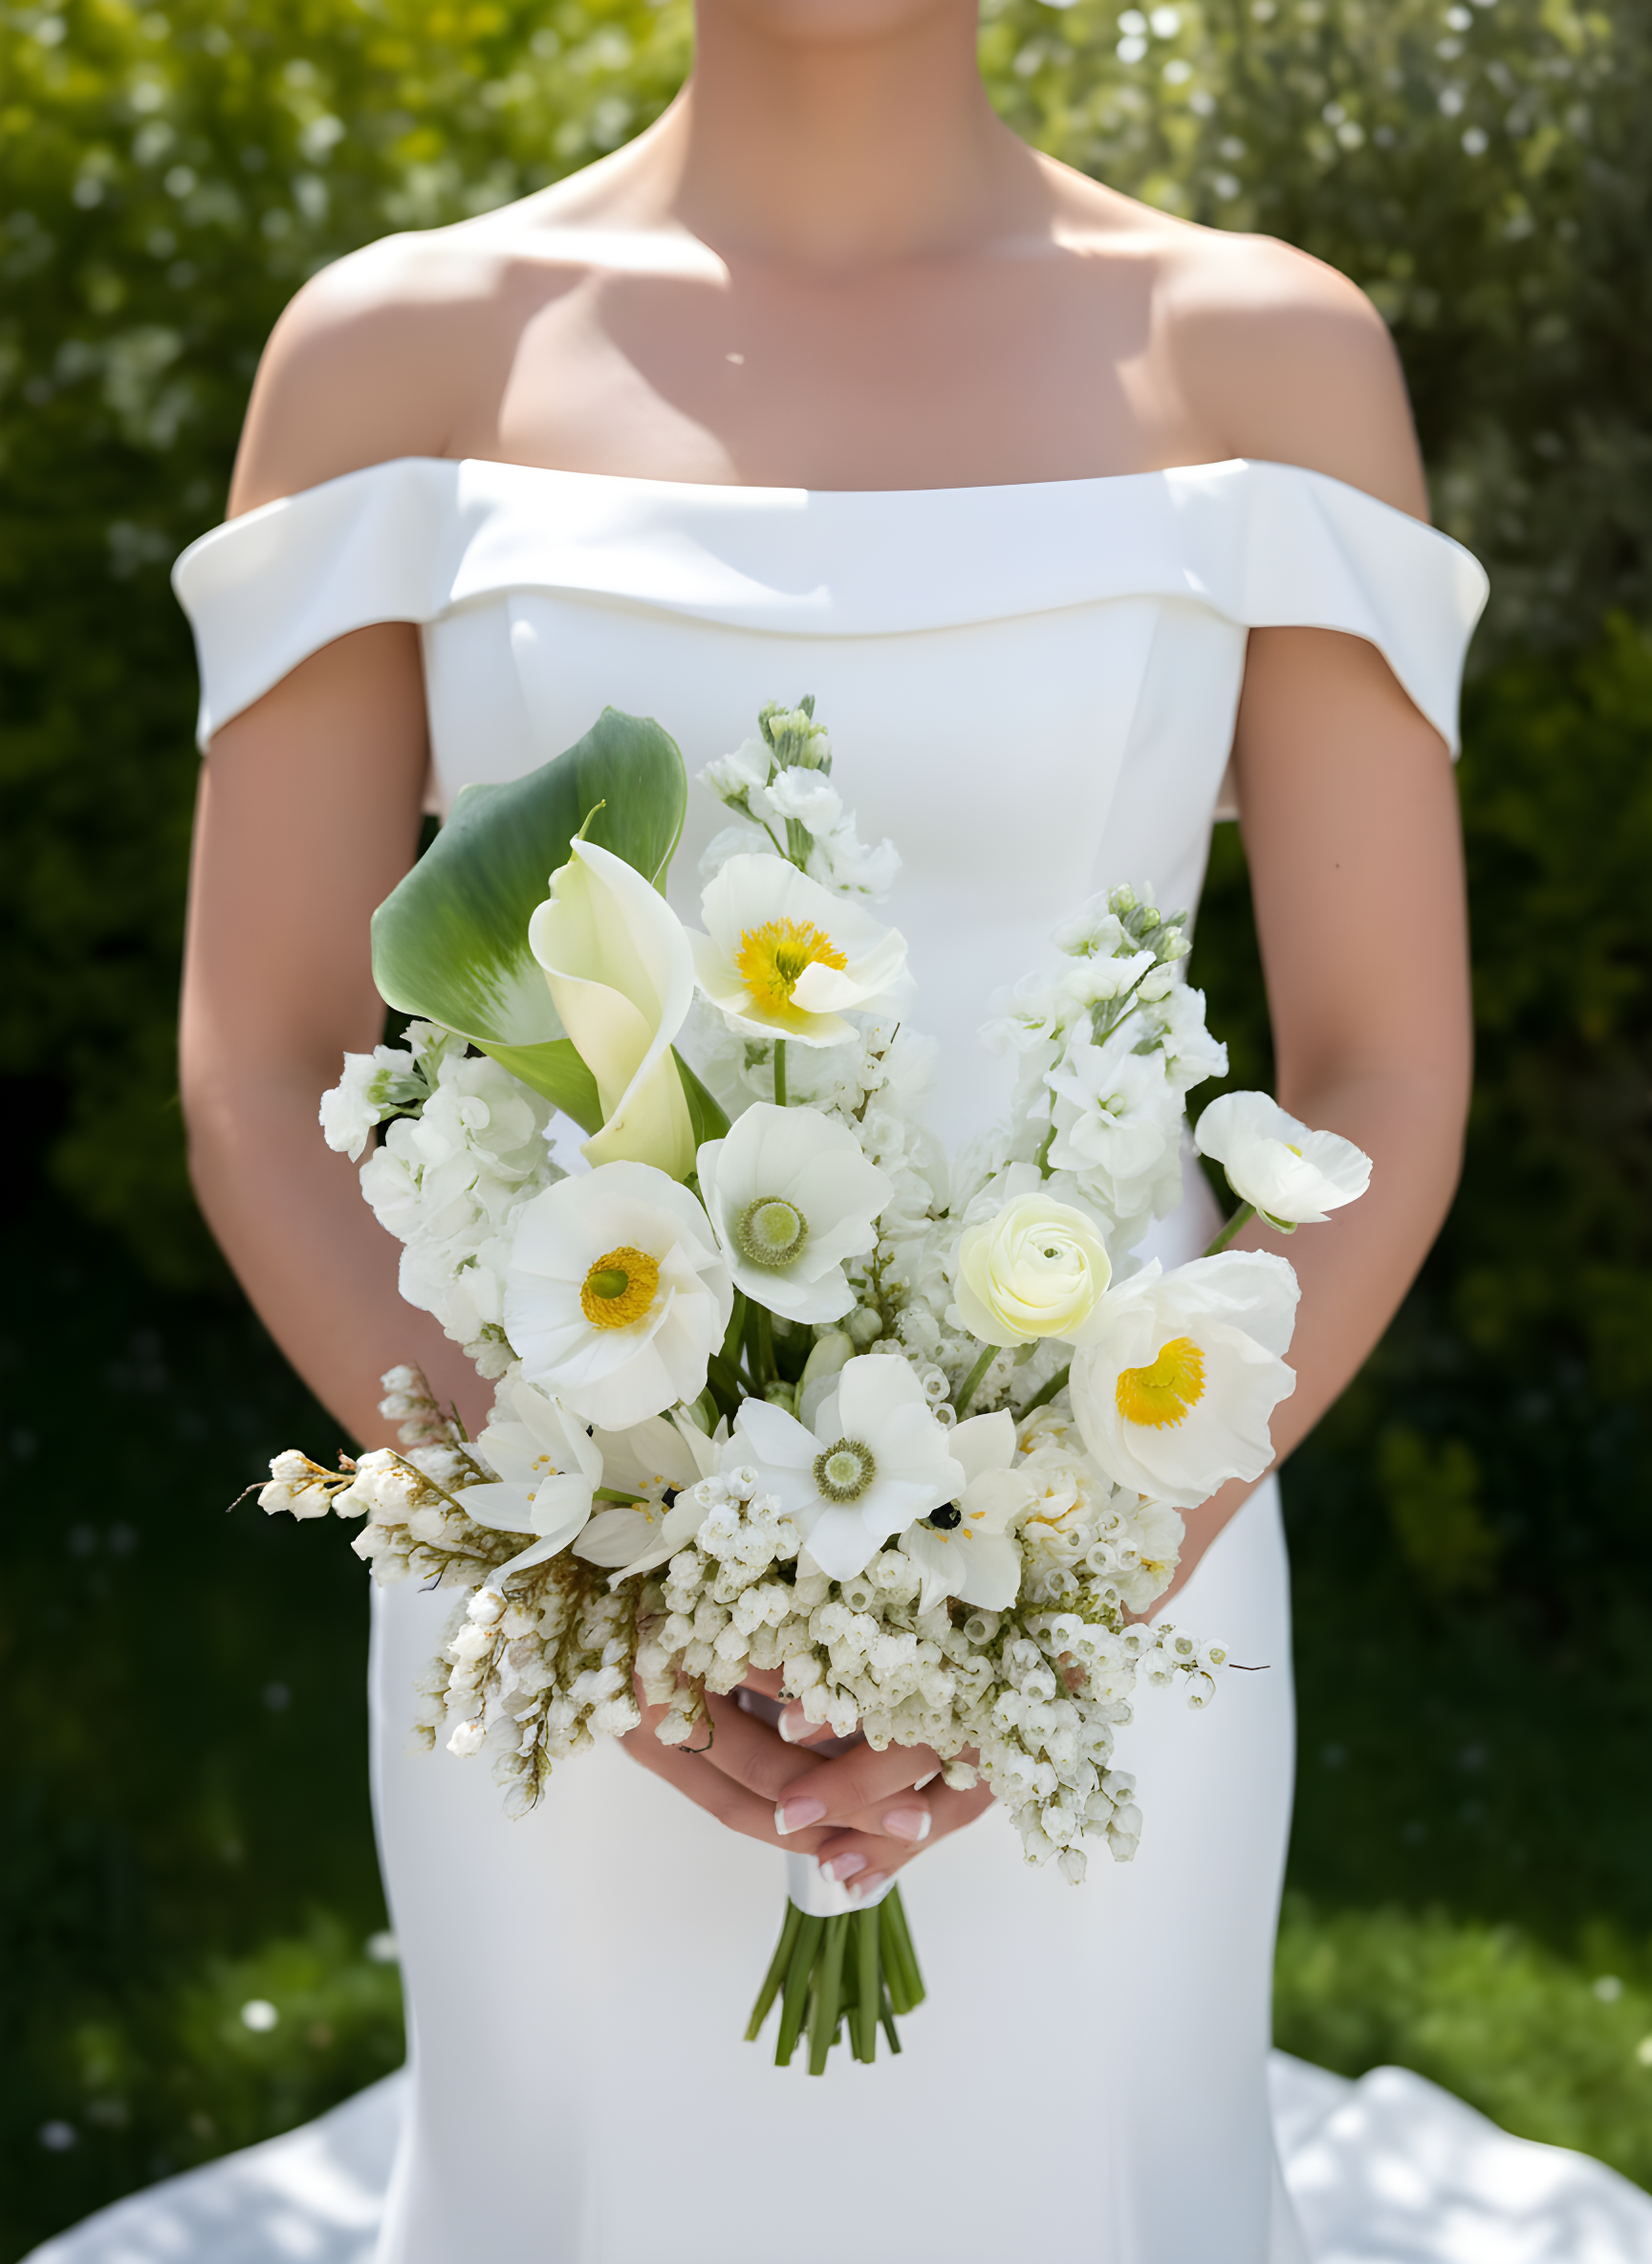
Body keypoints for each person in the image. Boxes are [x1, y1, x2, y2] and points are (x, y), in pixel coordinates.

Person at [164, 1, 1489, 2257]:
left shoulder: (1268, 358)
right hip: (562, 1617)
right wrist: (594, 1565)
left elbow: (1381, 1065)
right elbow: (259, 1057)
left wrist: (1068, 1582)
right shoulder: (399, 361)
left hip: (1112, 1605)